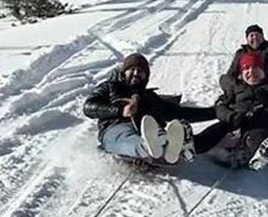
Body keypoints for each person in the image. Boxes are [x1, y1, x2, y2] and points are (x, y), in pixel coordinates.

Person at [83, 53, 214, 164]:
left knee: (156, 129)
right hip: (115, 128)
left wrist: (214, 112)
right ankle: (150, 147)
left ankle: (167, 146)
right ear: (124, 72)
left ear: (146, 77)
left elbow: (178, 112)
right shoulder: (110, 86)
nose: (136, 73)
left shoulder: (149, 97)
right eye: (132, 70)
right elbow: (89, 106)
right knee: (128, 139)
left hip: (145, 128)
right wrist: (119, 110)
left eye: (140, 71)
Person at [192, 52, 268, 168]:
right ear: (241, 73)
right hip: (235, 121)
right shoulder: (236, 87)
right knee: (216, 131)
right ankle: (191, 145)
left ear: (263, 71)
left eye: (256, 68)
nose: (251, 72)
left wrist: (266, 114)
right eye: (247, 69)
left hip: (260, 125)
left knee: (254, 137)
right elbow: (220, 107)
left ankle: (255, 157)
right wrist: (231, 116)